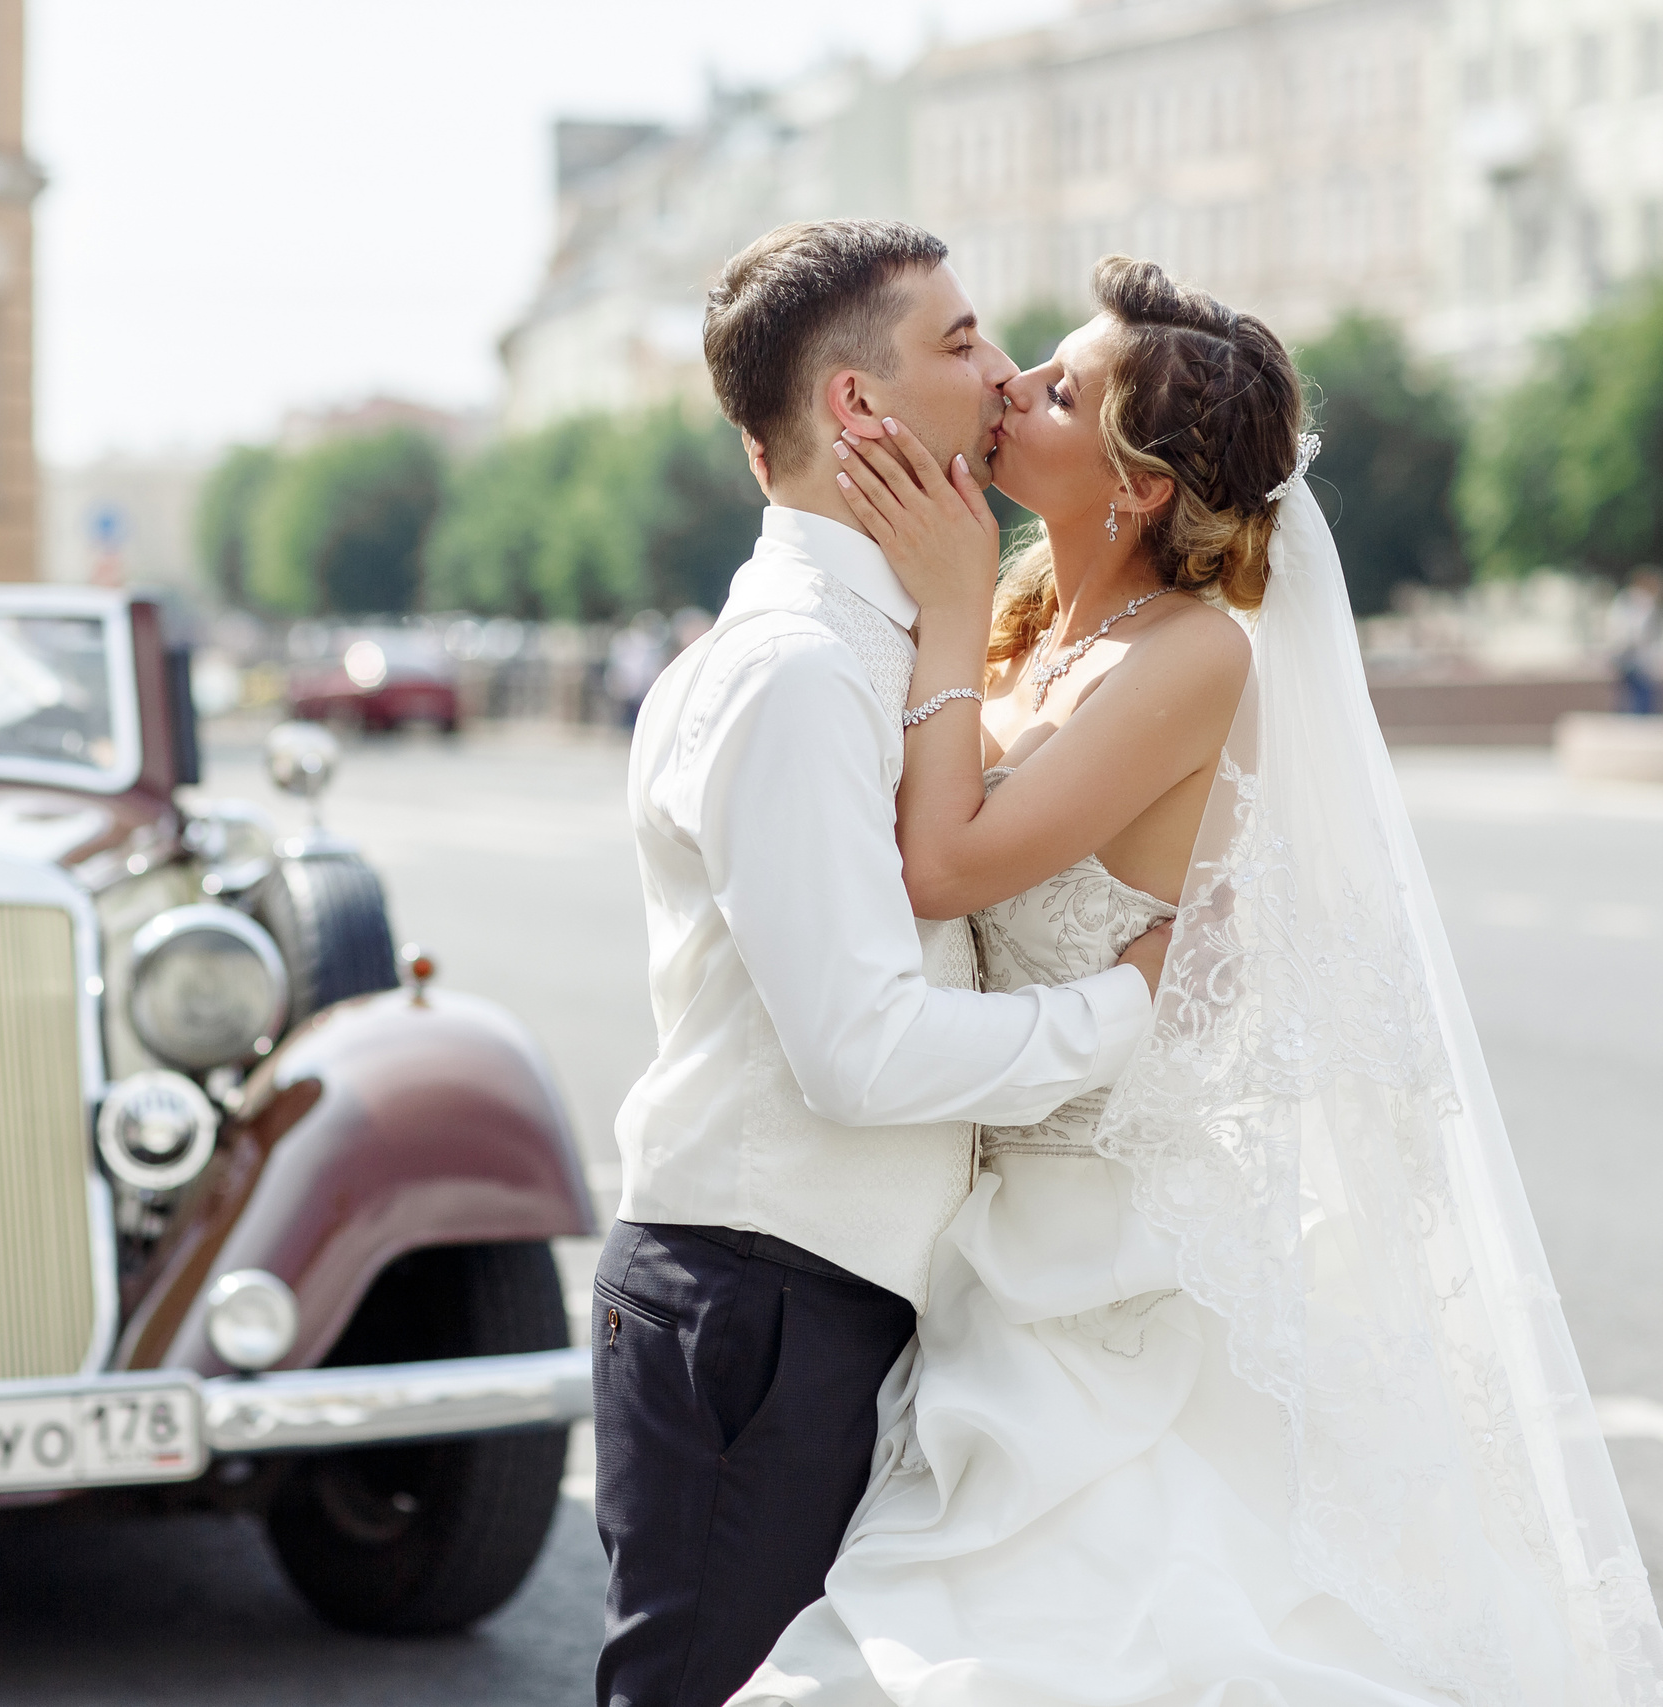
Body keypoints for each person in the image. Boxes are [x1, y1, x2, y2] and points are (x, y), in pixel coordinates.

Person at [732, 257, 1663, 1703]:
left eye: (1055, 388)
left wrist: (944, 592)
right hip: (980, 1217)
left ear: (1141, 486)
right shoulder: (1034, 621)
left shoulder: (1194, 656)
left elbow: (941, 864)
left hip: (1106, 1248)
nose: (1005, 389)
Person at [594, 220, 1175, 1707]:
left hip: (831, 1296)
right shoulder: (793, 669)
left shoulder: (883, 646)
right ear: (857, 408)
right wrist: (1128, 1001)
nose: (1001, 367)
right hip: (761, 1299)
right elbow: (861, 1052)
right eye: (962, 339)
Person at [1605, 567, 1662, 715]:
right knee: (1640, 694)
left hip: (1626, 655)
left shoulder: (1624, 599)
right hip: (1632, 657)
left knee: (1629, 693)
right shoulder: (1639, 601)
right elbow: (1639, 632)